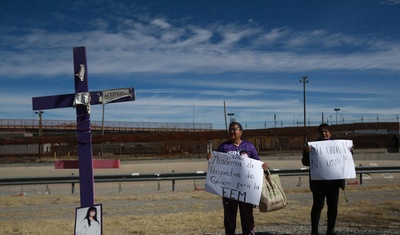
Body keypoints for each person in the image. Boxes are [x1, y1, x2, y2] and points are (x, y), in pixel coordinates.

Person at [207, 121, 268, 235]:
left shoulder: (249, 146)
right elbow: (216, 164)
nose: (232, 132)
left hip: (246, 190)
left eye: (235, 129)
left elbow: (257, 162)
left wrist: (262, 166)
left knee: (247, 217)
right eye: (230, 129)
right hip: (229, 191)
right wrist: (211, 158)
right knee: (229, 218)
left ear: (241, 132)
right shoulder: (224, 147)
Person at [302, 123, 349, 235]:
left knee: (333, 207)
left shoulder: (338, 146)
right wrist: (306, 152)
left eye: (326, 131)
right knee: (318, 206)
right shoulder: (313, 146)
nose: (324, 133)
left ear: (330, 133)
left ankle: (330, 230)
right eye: (322, 131)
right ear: (318, 133)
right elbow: (306, 162)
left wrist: (349, 152)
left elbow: (345, 161)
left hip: (333, 182)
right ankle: (314, 231)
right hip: (319, 183)